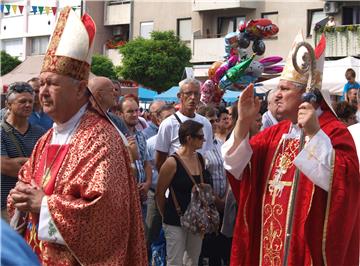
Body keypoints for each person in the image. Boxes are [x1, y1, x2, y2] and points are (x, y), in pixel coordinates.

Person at [7, 7, 147, 265]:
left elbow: (106, 216)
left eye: (53, 83)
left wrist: (46, 206)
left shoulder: (101, 140)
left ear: (80, 88)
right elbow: (26, 178)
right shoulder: (46, 139)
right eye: (43, 83)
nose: (44, 92)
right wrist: (20, 196)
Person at [221, 33, 359, 265]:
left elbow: (346, 185)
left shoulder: (333, 132)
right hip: (267, 245)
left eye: (284, 89)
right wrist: (243, 122)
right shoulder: (275, 134)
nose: (276, 95)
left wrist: (315, 135)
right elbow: (235, 167)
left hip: (304, 249)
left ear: (307, 94)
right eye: (277, 89)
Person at [156, 120, 211, 266]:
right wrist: (166, 217)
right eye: (200, 137)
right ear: (189, 138)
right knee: (175, 261)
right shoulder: (172, 162)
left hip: (196, 219)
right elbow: (159, 194)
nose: (204, 140)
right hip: (175, 219)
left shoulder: (199, 158)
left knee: (193, 260)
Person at [1, 82, 46, 222]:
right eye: (22, 101)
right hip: (4, 204)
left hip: (31, 204)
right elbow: (6, 167)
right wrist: (34, 162)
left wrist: (20, 161)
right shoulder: (1, 132)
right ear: (9, 104)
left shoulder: (41, 133)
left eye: (30, 101)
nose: (28, 105)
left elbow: (47, 167)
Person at [155, 78, 213, 171]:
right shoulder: (168, 124)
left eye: (196, 94)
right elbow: (160, 161)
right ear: (180, 96)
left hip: (200, 178)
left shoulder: (205, 123)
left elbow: (207, 153)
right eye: (188, 93)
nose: (193, 97)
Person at [197, 105, 230, 266]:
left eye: (216, 120)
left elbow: (227, 169)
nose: (215, 123)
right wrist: (216, 200)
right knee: (206, 249)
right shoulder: (199, 147)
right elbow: (200, 178)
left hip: (223, 202)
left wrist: (225, 199)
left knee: (219, 249)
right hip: (207, 205)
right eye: (210, 120)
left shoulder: (218, 143)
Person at [119, 95, 152, 219]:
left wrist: (147, 183)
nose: (135, 114)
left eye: (137, 110)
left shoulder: (140, 135)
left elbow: (146, 163)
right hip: (125, 198)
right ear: (120, 114)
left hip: (141, 197)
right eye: (130, 111)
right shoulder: (117, 136)